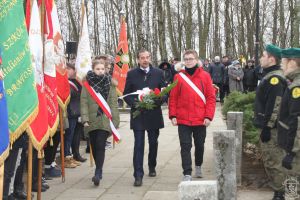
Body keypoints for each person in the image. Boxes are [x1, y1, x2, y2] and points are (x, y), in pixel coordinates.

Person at [168, 50, 216, 181]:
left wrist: (208, 116)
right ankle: (187, 172)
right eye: (186, 59)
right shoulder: (178, 77)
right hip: (183, 118)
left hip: (200, 119)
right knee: (185, 146)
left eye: (191, 58)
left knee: (200, 145)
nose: (188, 61)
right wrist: (173, 115)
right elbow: (173, 98)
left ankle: (198, 165)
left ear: (196, 60)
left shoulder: (205, 76)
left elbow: (211, 98)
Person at [123, 49, 166, 187]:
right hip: (138, 114)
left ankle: (152, 165)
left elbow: (164, 92)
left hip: (154, 114)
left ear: (150, 58)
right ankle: (138, 175)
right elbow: (126, 94)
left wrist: (157, 101)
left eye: (147, 57)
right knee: (139, 145)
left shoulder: (159, 73)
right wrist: (136, 104)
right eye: (142, 58)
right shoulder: (131, 74)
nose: (145, 60)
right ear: (138, 59)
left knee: (153, 143)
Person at [253, 44, 287, 200]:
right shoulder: (269, 75)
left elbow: (275, 105)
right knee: (271, 160)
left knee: (273, 161)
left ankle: (280, 194)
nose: (260, 58)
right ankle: (279, 192)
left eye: (263, 55)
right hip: (270, 127)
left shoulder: (275, 78)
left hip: (272, 129)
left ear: (271, 59)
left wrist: (267, 127)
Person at [81, 59, 120, 186]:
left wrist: (115, 120)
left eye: (102, 69)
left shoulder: (110, 83)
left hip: (104, 119)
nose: (100, 71)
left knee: (100, 144)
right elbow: (84, 102)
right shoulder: (87, 84)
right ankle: (99, 169)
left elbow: (113, 103)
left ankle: (97, 172)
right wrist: (85, 119)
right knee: (93, 145)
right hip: (91, 120)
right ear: (93, 69)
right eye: (98, 69)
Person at [277, 48, 300, 187]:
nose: (281, 65)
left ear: (292, 63)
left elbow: (297, 121)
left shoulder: (296, 87)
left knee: (292, 190)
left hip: (295, 152)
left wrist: (291, 152)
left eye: (283, 62)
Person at [66, 62, 87, 163]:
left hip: (79, 112)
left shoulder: (78, 81)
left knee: (77, 135)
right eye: (68, 69)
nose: (68, 71)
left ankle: (76, 153)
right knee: (69, 135)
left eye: (70, 69)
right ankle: (67, 155)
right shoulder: (67, 82)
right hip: (71, 112)